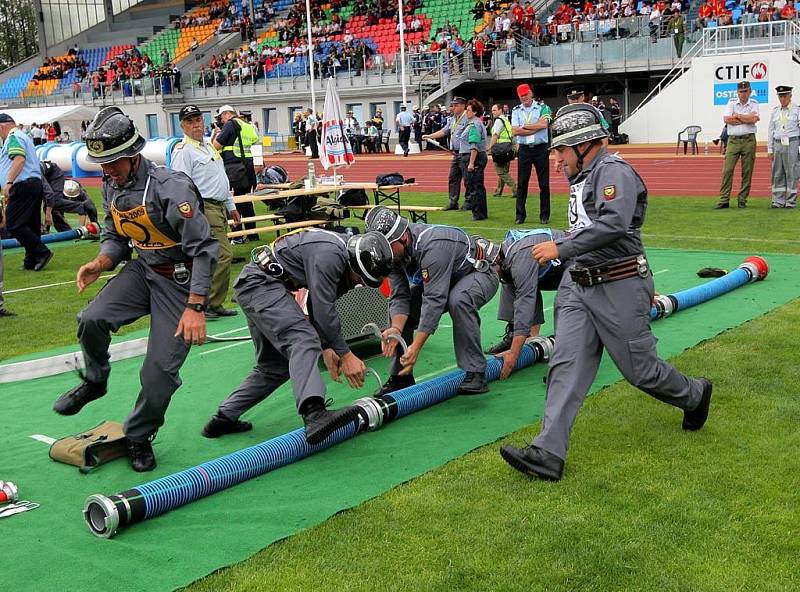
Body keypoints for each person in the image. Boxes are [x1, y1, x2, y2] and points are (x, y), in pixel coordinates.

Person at [499, 104, 712, 481]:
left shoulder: (614, 172)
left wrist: (560, 249)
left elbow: (612, 225)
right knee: (565, 366)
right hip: (580, 284)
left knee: (641, 372)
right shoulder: (585, 175)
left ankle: (693, 394)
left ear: (585, 145)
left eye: (563, 150)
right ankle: (547, 452)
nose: (558, 159)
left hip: (619, 283)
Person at [52, 107, 219, 472]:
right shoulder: (113, 184)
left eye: (113, 162)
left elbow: (204, 250)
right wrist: (101, 263)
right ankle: (96, 380)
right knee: (91, 318)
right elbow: (115, 237)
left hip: (180, 282)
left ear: (132, 154)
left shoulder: (171, 187)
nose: (107, 170)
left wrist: (196, 307)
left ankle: (139, 436)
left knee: (158, 372)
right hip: (142, 271)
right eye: (102, 163)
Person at [201, 229, 394, 444]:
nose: (358, 282)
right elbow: (323, 310)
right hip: (261, 285)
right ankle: (314, 413)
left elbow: (317, 303)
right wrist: (345, 353)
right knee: (303, 339)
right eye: (360, 277)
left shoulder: (342, 261)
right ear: (355, 263)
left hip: (258, 286)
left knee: (275, 366)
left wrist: (327, 346)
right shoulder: (330, 255)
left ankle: (224, 417)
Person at [365, 206, 500, 395]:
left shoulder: (433, 245)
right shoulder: (392, 254)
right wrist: (396, 329)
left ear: (403, 237)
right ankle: (401, 376)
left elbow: (434, 300)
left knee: (459, 300)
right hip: (445, 279)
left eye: (387, 247)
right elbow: (400, 296)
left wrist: (416, 347)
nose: (385, 253)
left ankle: (476, 372)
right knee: (410, 306)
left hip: (479, 273)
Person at [171, 104, 242, 318]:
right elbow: (179, 186)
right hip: (204, 208)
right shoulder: (184, 152)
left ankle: (213, 303)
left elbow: (221, 177)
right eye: (190, 122)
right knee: (221, 255)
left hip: (219, 206)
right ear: (182, 126)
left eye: (198, 120)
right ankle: (207, 302)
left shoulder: (209, 147)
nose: (196, 125)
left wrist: (231, 206)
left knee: (218, 256)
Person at [485, 228, 568, 377]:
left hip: (572, 261)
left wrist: (513, 355)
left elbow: (526, 302)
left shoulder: (519, 260)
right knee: (509, 280)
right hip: (548, 262)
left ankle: (567, 362)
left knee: (566, 305)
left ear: (496, 260)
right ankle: (518, 335)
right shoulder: (506, 254)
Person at [0, 113, 53, 272]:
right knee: (31, 223)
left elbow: (19, 159)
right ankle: (31, 259)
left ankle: (41, 252)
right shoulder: (23, 136)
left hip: (22, 184)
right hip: (33, 183)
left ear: (2, 126)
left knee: (14, 224)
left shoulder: (13, 137)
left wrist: (9, 182)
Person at [212, 104, 259, 240]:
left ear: (227, 114)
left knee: (234, 201)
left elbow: (216, 146)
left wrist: (217, 134)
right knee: (246, 201)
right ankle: (252, 234)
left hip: (234, 167)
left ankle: (237, 235)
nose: (221, 121)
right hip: (248, 167)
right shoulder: (247, 125)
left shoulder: (230, 125)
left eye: (221, 118)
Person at [512, 83, 552, 225]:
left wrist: (524, 127)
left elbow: (544, 125)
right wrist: (535, 127)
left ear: (531, 93)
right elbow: (515, 131)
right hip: (524, 150)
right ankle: (520, 215)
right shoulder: (516, 110)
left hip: (541, 148)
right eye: (521, 96)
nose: (524, 98)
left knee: (544, 183)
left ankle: (544, 214)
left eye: (526, 95)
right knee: (522, 183)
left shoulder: (543, 107)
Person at [716, 81, 759, 209]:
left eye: (746, 91)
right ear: (737, 92)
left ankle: (742, 200)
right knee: (727, 170)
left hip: (749, 140)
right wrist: (746, 119)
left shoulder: (754, 103)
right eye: (741, 91)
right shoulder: (731, 102)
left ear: (750, 91)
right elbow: (727, 119)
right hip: (733, 140)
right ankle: (724, 200)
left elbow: (754, 119)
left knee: (747, 172)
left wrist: (738, 116)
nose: (743, 94)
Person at [422, 96, 470, 211]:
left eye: (456, 105)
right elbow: (444, 131)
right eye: (452, 105)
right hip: (456, 153)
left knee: (468, 179)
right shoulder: (453, 119)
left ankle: (469, 202)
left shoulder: (468, 118)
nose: (453, 108)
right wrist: (430, 136)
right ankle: (453, 202)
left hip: (466, 152)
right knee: (453, 178)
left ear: (463, 106)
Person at [766, 85, 799, 209]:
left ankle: (790, 201)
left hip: (792, 143)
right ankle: (778, 201)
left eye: (785, 96)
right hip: (778, 143)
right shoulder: (775, 111)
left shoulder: (797, 110)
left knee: (791, 172)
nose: (782, 99)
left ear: (790, 96)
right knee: (777, 173)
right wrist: (770, 148)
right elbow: (771, 130)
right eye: (780, 96)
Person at [458, 99, 489, 221]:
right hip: (472, 156)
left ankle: (478, 213)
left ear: (475, 112)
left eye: (469, 110)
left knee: (475, 186)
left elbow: (474, 145)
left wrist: (471, 162)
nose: (466, 112)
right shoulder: (473, 123)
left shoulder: (474, 124)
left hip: (474, 157)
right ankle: (481, 212)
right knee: (477, 186)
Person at [488, 103, 517, 197]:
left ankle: (515, 188)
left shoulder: (498, 121)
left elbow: (495, 135)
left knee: (500, 171)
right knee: (504, 170)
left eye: (494, 110)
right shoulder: (506, 120)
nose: (493, 112)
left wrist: (490, 148)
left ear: (500, 110)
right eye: (492, 110)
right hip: (508, 148)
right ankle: (498, 191)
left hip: (500, 149)